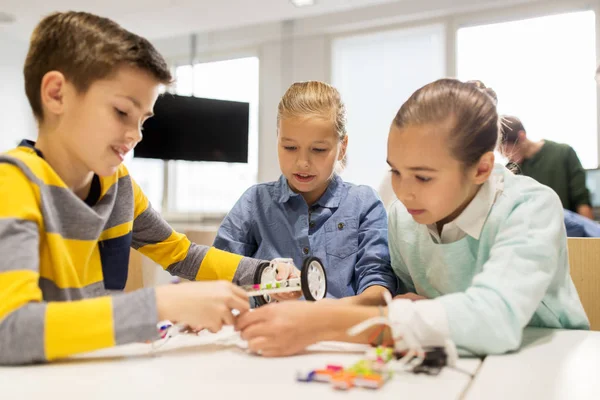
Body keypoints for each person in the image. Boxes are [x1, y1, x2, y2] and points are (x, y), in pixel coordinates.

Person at [0, 11, 297, 365]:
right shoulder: (14, 183)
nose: (136, 135)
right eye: (122, 112)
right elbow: (11, 331)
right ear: (56, 94)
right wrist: (162, 304)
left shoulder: (119, 186)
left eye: (143, 120)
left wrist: (262, 273)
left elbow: (181, 255)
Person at [235, 78, 589, 357]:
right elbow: (405, 307)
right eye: (395, 172)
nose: (404, 193)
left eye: (422, 177)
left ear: (482, 167)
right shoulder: (402, 220)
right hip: (451, 360)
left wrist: (324, 320)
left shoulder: (530, 207)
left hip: (550, 361)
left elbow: (493, 318)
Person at [214, 81, 397, 305]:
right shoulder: (254, 203)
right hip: (265, 331)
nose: (302, 162)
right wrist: (265, 286)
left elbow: (379, 287)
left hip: (338, 333)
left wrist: (323, 315)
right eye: (290, 147)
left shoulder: (364, 204)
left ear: (343, 147)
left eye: (318, 150)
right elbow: (218, 279)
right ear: (277, 139)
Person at [501, 115, 594, 219]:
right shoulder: (512, 170)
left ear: (521, 136)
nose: (506, 156)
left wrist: (590, 234)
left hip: (569, 229)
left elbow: (582, 200)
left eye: (507, 149)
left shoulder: (563, 153)